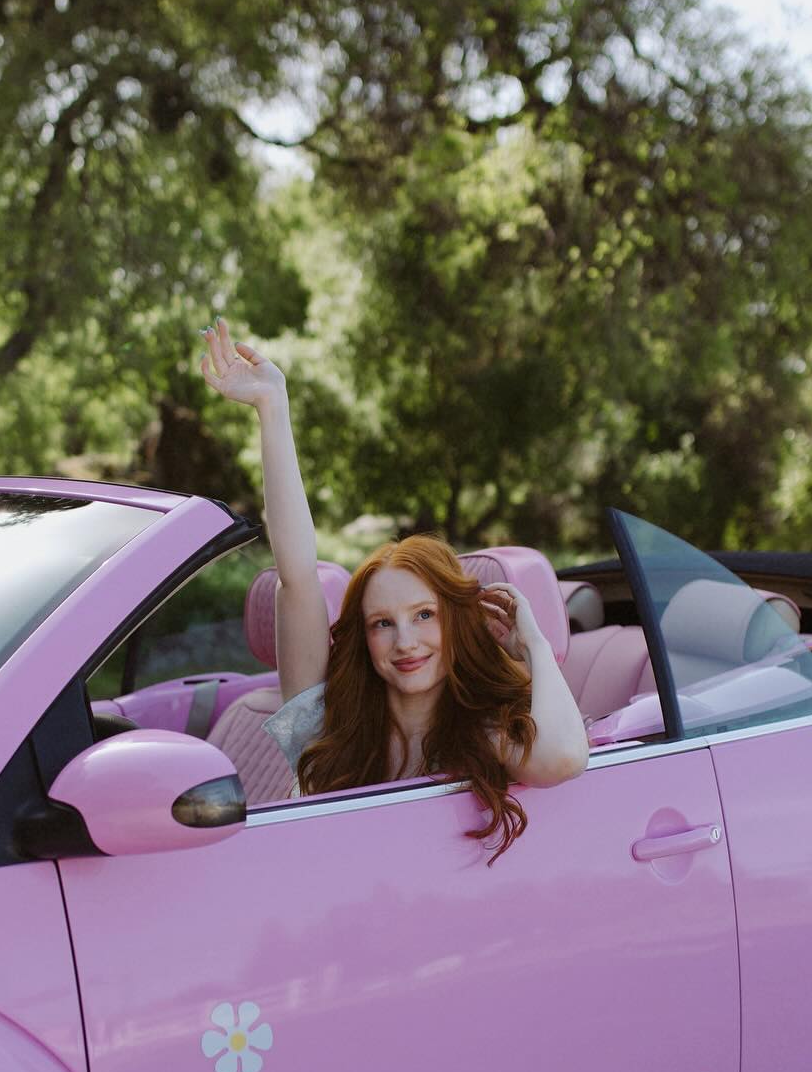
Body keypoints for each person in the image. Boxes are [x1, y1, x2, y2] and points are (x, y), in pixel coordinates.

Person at [198, 316, 588, 860]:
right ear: (364, 637)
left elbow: (564, 758)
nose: (406, 640)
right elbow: (297, 574)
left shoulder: (481, 735)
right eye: (383, 623)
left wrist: (537, 648)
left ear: (454, 623)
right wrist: (273, 408)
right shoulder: (328, 726)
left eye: (424, 615)